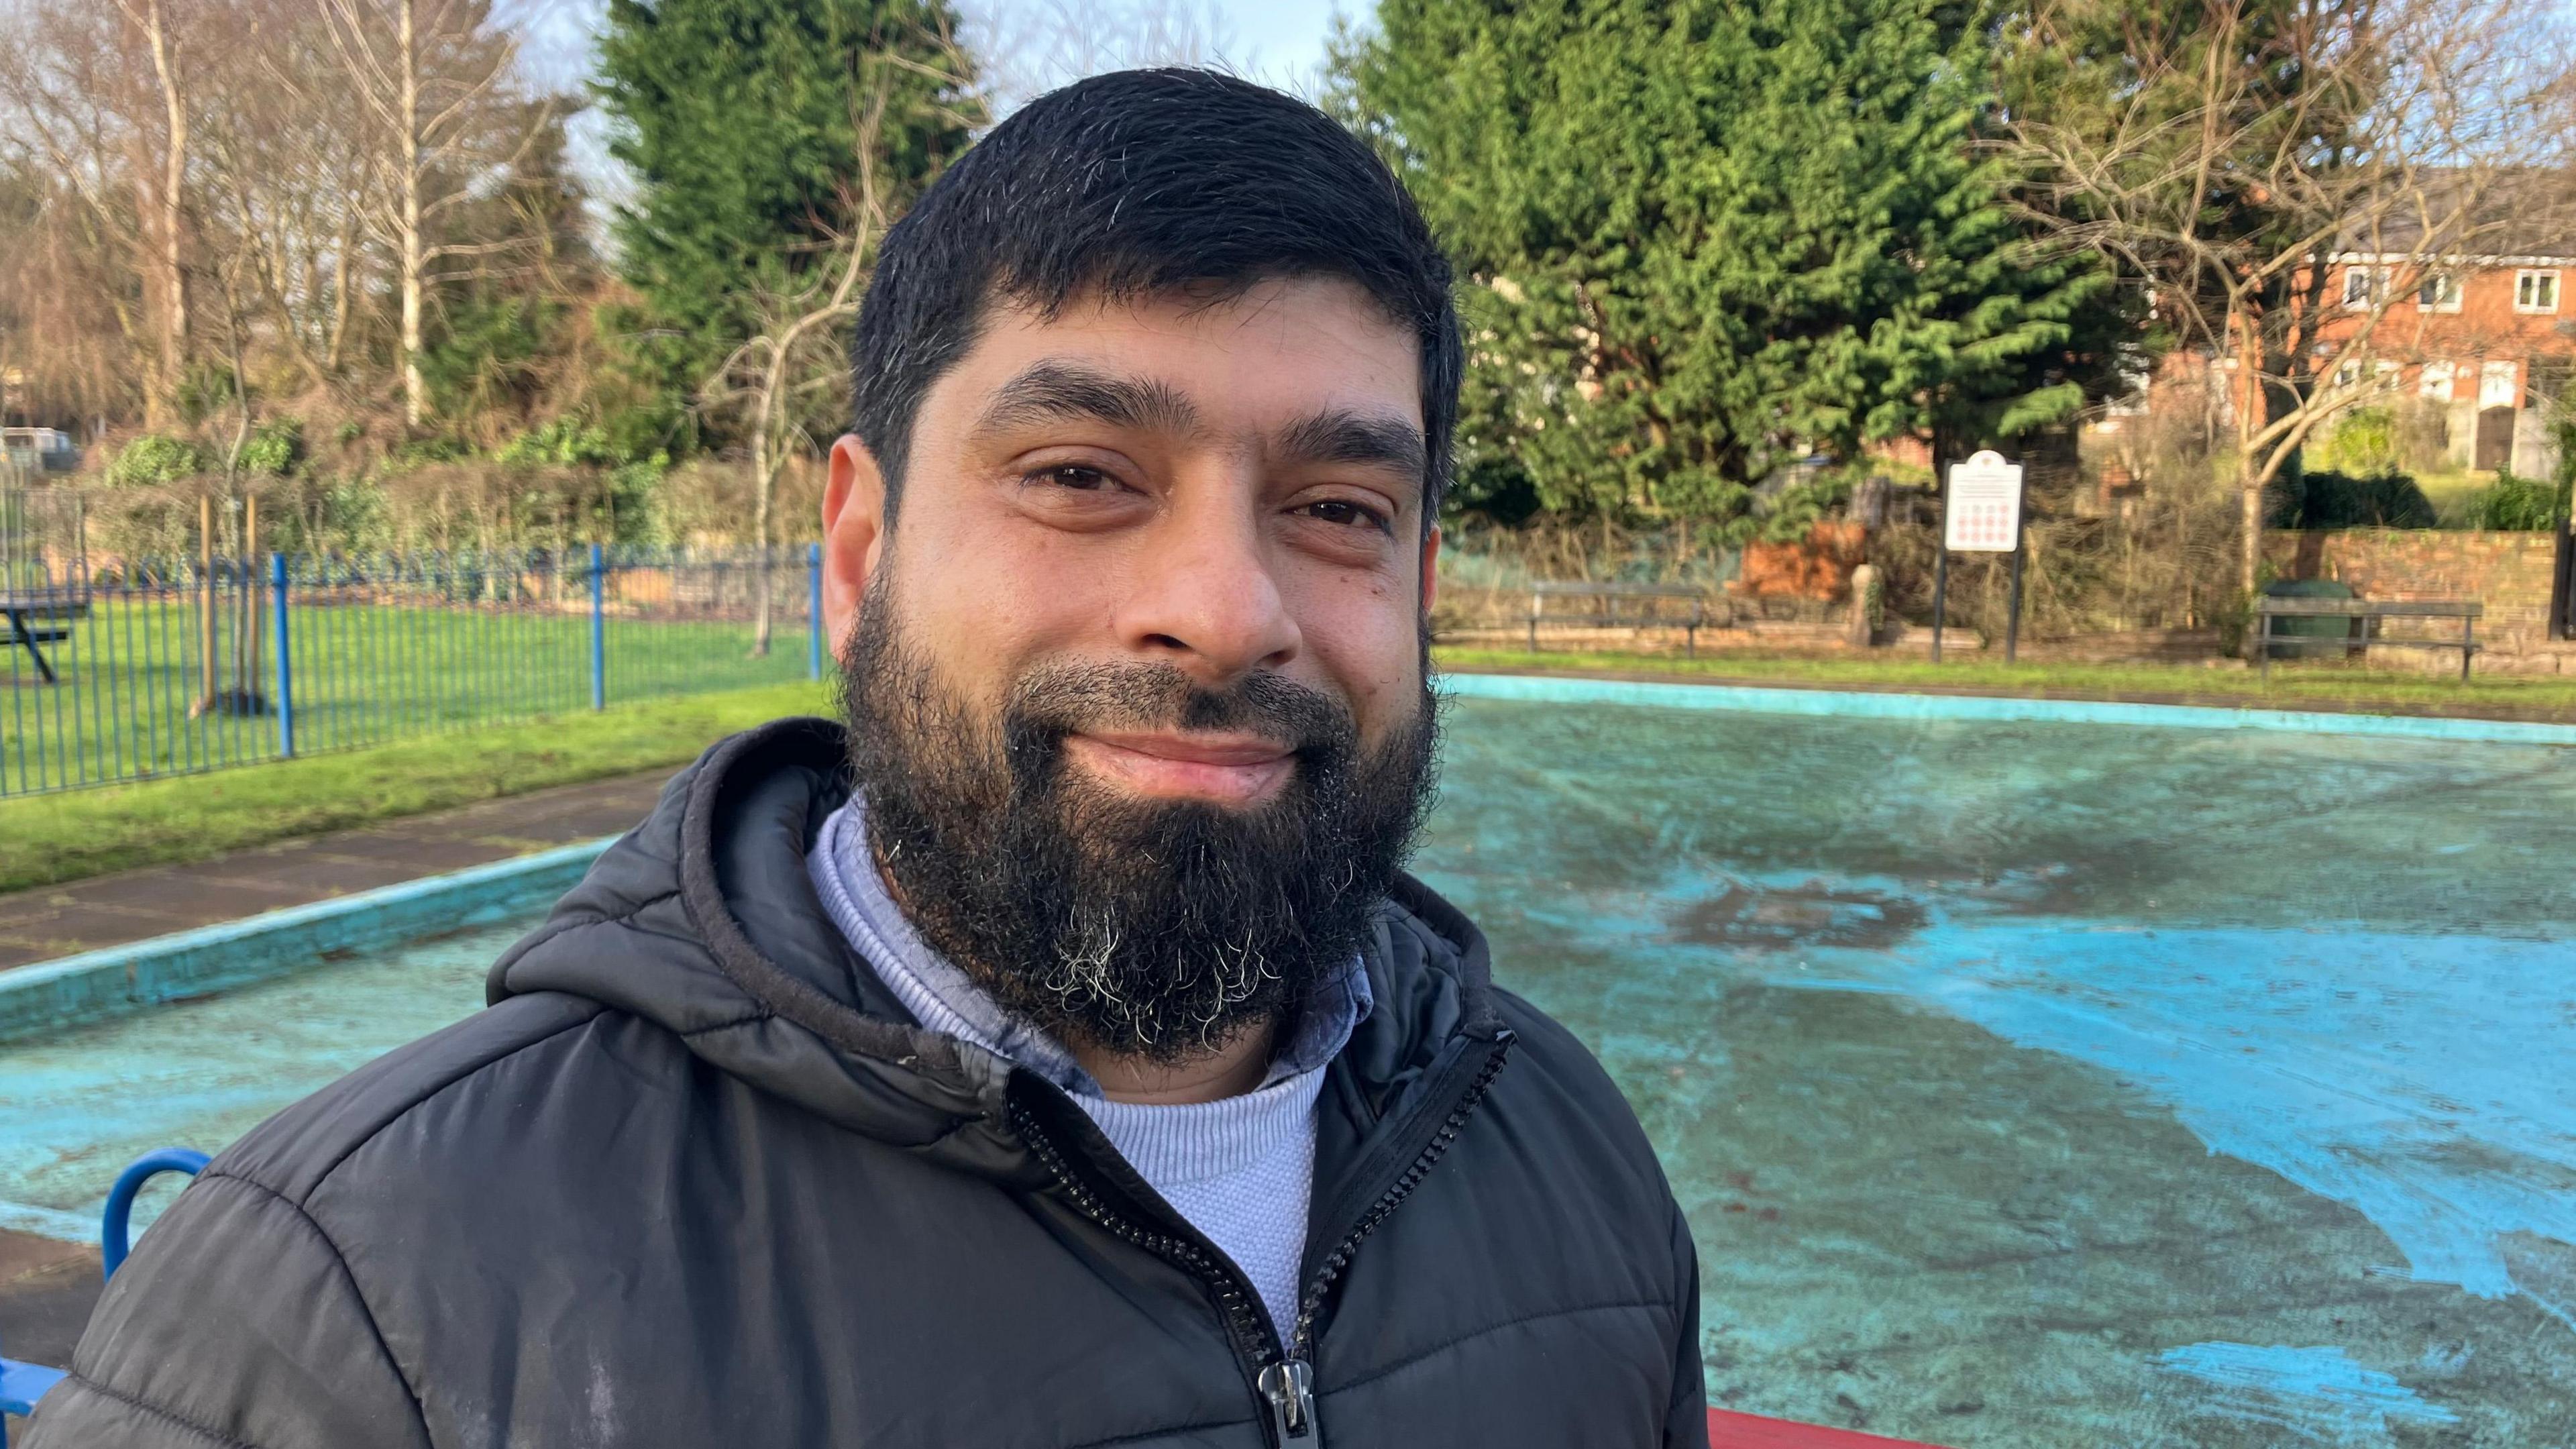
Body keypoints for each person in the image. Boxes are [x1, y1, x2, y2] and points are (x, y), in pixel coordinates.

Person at [30, 70, 1704, 1448]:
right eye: (1078, 474)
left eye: (1338, 509)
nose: (1222, 609)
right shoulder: (354, 1310)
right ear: (857, 549)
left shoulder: (1566, 1151)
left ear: (1417, 590)